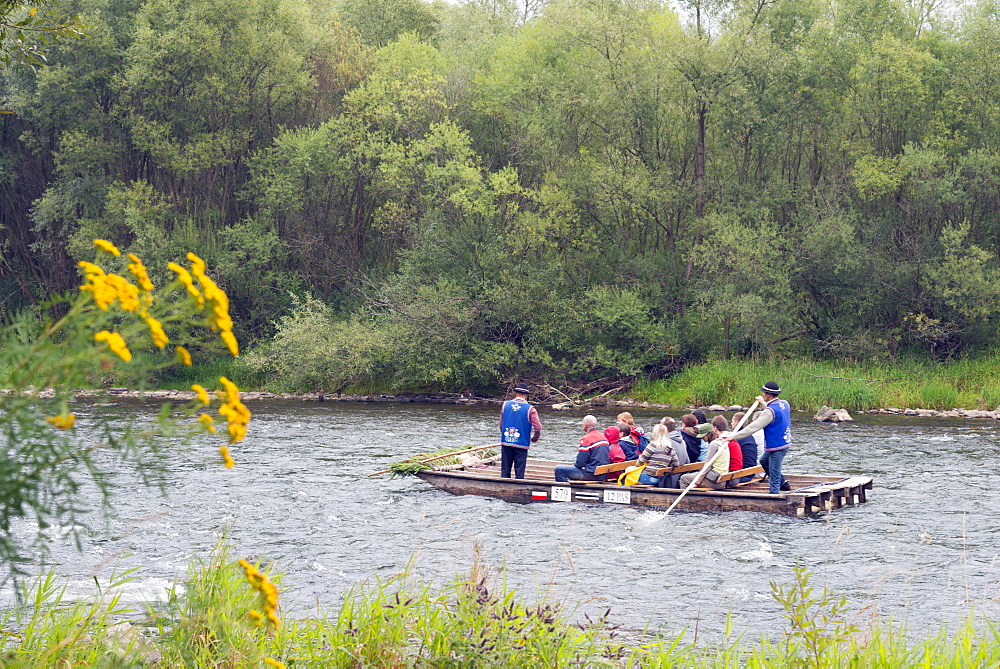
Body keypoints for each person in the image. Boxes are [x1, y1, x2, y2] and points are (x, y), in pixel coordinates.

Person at [727, 381, 791, 494]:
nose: (763, 395)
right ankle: (783, 482)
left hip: (777, 446)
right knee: (764, 461)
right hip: (784, 442)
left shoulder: (769, 412)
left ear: (769, 395)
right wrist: (763, 403)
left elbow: (753, 427)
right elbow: (772, 410)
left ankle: (774, 496)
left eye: (764, 393)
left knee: (774, 474)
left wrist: (734, 436)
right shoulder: (784, 404)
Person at [498, 383, 541, 479]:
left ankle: (504, 485)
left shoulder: (505, 405)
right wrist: (534, 438)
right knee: (519, 471)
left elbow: (501, 424)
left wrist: (505, 436)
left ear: (515, 393)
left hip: (507, 442)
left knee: (505, 470)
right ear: (527, 395)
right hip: (522, 443)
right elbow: (537, 427)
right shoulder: (530, 409)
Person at [553, 415, 611, 482]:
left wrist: (574, 465)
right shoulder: (603, 438)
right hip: (602, 474)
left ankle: (565, 489)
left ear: (585, 424)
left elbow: (580, 462)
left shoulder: (587, 439)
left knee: (558, 469)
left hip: (591, 474)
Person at [732, 411, 759, 483]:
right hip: (751, 472)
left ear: (737, 423)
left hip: (743, 475)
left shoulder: (737, 437)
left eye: (732, 421)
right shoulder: (750, 436)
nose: (731, 424)